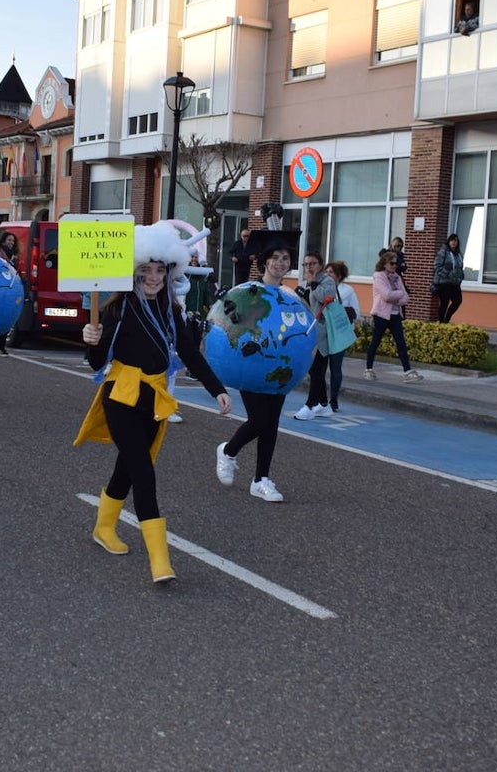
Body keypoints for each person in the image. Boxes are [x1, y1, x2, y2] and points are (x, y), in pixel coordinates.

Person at [76, 221, 231, 583]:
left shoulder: (171, 312)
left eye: (160, 270)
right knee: (144, 473)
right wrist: (92, 339)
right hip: (122, 397)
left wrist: (216, 389)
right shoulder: (117, 309)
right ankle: (159, 560)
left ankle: (103, 527)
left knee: (127, 469)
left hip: (155, 399)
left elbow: (190, 353)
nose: (154, 277)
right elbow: (98, 363)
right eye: (146, 270)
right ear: (134, 271)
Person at [215, 231, 301, 503]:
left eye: (285, 258)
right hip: (251, 366)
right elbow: (230, 318)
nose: (280, 262)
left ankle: (261, 479)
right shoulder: (250, 291)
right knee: (260, 420)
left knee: (271, 423)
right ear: (264, 262)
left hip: (280, 367)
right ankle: (229, 450)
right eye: (274, 257)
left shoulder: (290, 296)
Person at [292, 251, 339, 420]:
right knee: (314, 370)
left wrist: (313, 284)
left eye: (312, 263)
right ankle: (324, 405)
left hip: (322, 332)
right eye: (306, 264)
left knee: (317, 369)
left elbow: (327, 297)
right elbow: (307, 305)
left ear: (320, 265)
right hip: (310, 331)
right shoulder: (307, 282)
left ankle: (309, 405)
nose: (309, 267)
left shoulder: (327, 281)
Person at [365, 251, 423, 382]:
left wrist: (396, 295)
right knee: (376, 341)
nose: (394, 266)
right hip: (381, 314)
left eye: (396, 263)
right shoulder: (379, 277)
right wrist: (398, 294)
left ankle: (407, 371)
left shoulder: (397, 277)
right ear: (384, 264)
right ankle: (369, 369)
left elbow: (405, 298)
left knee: (401, 342)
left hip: (396, 314)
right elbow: (386, 295)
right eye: (391, 263)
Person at [323, 260, 360, 412]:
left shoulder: (348, 291)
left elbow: (356, 313)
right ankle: (320, 400)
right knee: (319, 369)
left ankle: (334, 400)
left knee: (335, 368)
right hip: (324, 333)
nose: (327, 275)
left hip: (338, 334)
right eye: (326, 272)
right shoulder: (322, 289)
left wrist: (339, 310)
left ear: (338, 275)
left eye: (330, 272)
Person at [0, 229, 20, 355]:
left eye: (13, 241)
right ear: (3, 241)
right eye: (9, 240)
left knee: (6, 318)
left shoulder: (14, 255)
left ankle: (1, 347)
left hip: (9, 290)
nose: (11, 243)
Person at [432, 233, 464, 323]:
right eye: (452, 240)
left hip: (454, 283)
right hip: (444, 282)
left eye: (456, 241)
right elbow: (437, 266)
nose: (454, 242)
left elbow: (460, 267)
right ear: (449, 241)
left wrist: (461, 275)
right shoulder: (443, 252)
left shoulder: (458, 254)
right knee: (444, 303)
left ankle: (447, 318)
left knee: (458, 300)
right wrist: (448, 274)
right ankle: (441, 322)